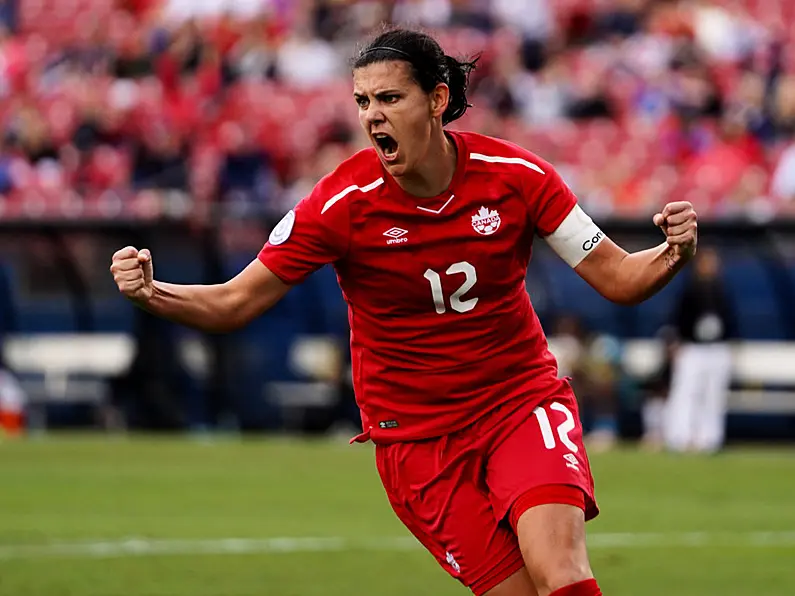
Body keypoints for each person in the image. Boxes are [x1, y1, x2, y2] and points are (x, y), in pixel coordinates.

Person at [110, 26, 698, 596]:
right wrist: (152, 293)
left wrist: (673, 253)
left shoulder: (518, 177)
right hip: (416, 441)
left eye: (390, 98)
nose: (372, 115)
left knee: (562, 572)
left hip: (519, 404)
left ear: (438, 100)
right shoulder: (338, 205)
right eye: (363, 101)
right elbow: (235, 300)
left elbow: (619, 278)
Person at [664, 247, 734, 454]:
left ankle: (709, 439)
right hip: (692, 348)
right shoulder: (689, 290)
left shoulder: (722, 291)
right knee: (686, 392)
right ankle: (680, 436)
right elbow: (678, 320)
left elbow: (730, 321)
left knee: (713, 395)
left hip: (717, 349)